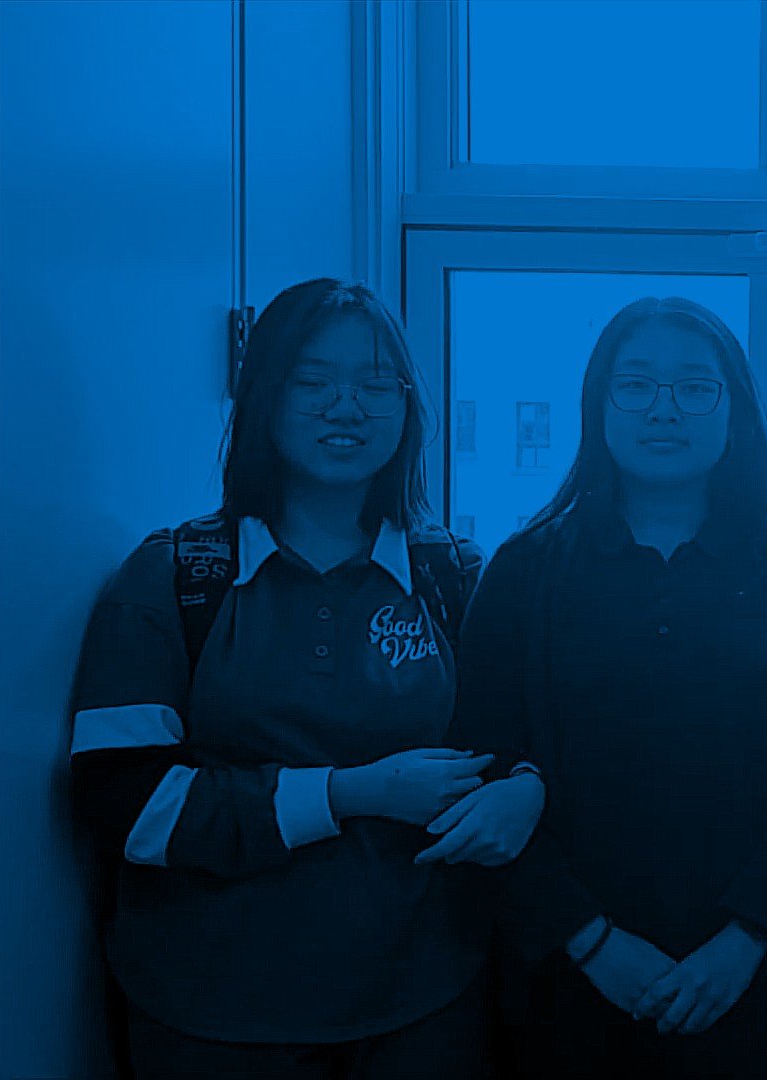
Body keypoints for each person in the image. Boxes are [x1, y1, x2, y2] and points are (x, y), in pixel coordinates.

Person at [67, 278, 497, 1078]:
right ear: (263, 394)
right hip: (208, 1012)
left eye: (377, 385)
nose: (347, 407)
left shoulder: (453, 577)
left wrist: (522, 788)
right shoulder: (175, 577)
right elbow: (121, 801)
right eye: (312, 381)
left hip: (422, 1001)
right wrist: (349, 793)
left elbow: (512, 749)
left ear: (407, 408)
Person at [449, 296, 767, 1079]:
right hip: (561, 986)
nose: (665, 409)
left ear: (734, 411)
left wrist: (747, 938)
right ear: (598, 405)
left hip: (749, 987)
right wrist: (590, 940)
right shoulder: (524, 573)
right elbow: (481, 769)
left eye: (695, 387)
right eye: (635, 385)